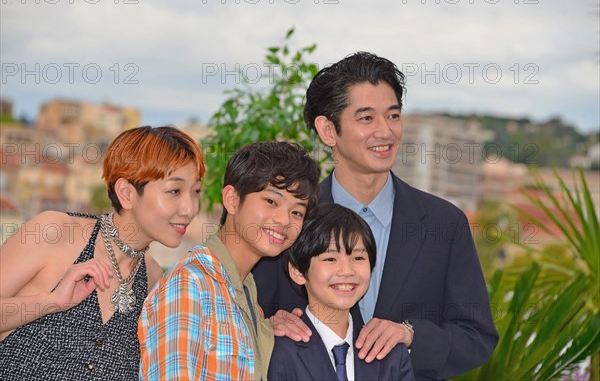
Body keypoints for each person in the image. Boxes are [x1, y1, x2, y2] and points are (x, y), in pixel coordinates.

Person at [253, 52, 499, 381]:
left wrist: (410, 336)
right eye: (366, 118)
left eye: (393, 116)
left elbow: (477, 337)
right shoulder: (291, 221)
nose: (385, 132)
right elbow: (251, 313)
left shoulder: (445, 223)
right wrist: (267, 325)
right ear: (328, 130)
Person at [0, 125, 205, 380]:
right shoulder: (55, 231)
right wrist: (50, 302)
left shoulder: (152, 277)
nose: (189, 208)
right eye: (175, 191)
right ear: (126, 193)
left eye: (196, 192)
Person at [138, 141, 320, 380]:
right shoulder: (190, 284)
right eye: (271, 201)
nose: (285, 220)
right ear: (232, 199)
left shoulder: (246, 292)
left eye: (297, 212)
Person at [268, 202, 415, 381]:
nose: (347, 271)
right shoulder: (277, 350)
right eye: (330, 258)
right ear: (298, 272)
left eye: (358, 257)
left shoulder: (391, 354)